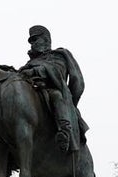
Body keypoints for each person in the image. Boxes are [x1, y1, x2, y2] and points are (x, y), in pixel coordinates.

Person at [20, 25, 87, 153]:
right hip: (33, 91)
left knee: (56, 96)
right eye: (31, 41)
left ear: (46, 40)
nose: (32, 44)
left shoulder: (58, 55)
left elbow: (57, 70)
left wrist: (34, 72)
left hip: (51, 90)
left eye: (35, 39)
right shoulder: (30, 62)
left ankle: (65, 132)